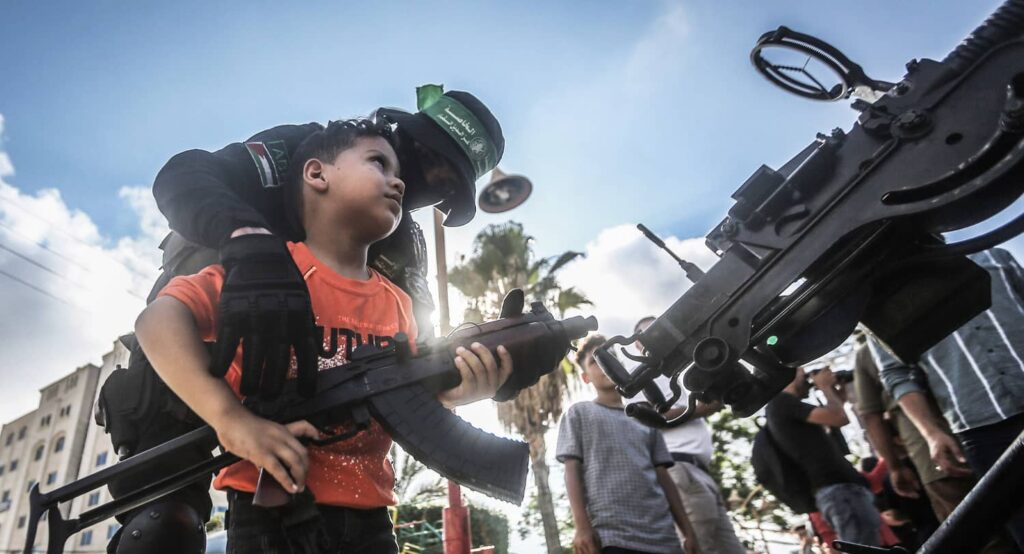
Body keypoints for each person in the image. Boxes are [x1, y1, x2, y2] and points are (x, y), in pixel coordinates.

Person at [98, 87, 505, 552]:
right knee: (161, 527)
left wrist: (467, 378)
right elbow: (184, 175)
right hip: (195, 354)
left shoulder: (404, 247)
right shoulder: (312, 153)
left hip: (325, 452)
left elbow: (409, 363)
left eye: (448, 184)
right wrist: (247, 240)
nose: (425, 181)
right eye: (432, 159)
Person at [875, 247, 1024, 550]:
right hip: (984, 432)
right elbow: (897, 374)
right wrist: (931, 433)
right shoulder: (883, 306)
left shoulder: (995, 258)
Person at [557, 334, 702, 554]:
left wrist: (688, 531)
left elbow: (663, 477)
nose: (605, 366)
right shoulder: (579, 413)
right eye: (595, 362)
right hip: (612, 538)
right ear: (586, 377)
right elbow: (571, 470)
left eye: (610, 357)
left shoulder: (644, 415)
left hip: (664, 540)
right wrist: (581, 526)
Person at [629, 316, 746, 554]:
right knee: (698, 546)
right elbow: (651, 420)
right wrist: (702, 408)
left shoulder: (681, 371)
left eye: (658, 327)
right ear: (637, 345)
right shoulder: (637, 376)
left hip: (700, 471)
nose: (655, 334)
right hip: (679, 469)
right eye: (647, 332)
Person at [765, 366, 881, 546]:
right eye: (804, 374)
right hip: (838, 491)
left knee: (867, 545)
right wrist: (826, 387)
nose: (808, 380)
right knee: (864, 548)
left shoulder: (783, 406)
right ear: (790, 376)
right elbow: (839, 417)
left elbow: (834, 416)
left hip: (840, 491)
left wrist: (837, 396)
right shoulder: (781, 402)